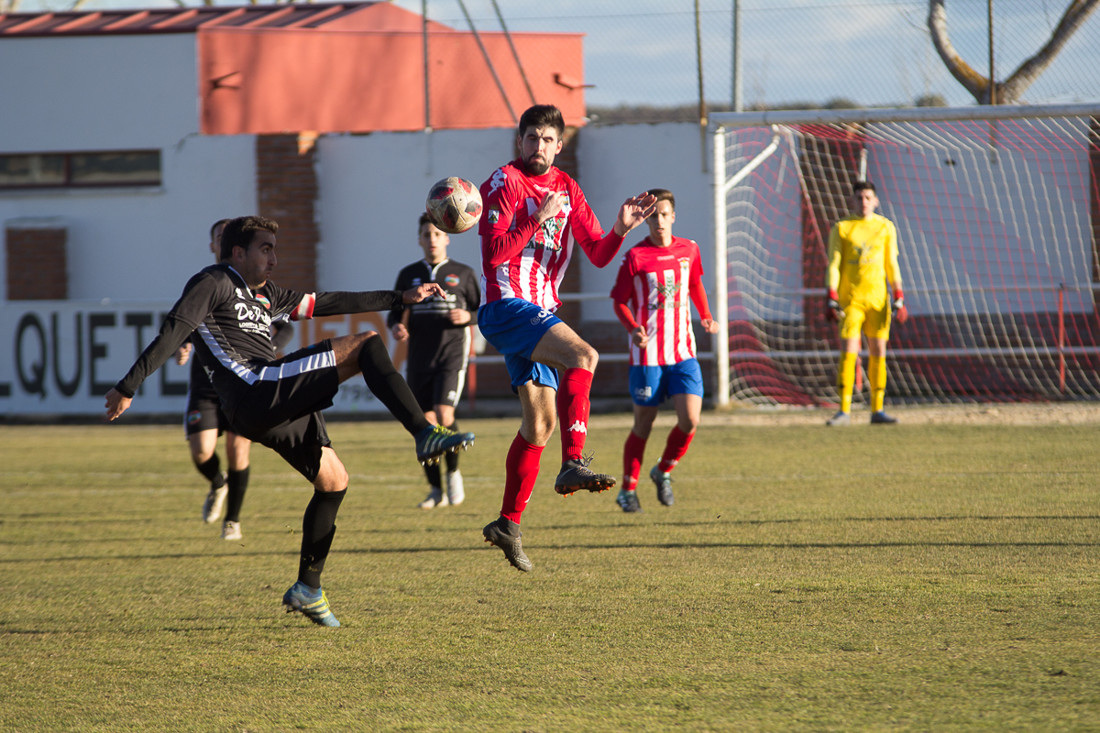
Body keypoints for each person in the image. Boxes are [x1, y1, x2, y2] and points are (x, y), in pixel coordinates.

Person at [104, 215, 475, 628]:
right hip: (254, 387)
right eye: (266, 249)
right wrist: (128, 385)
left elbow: (325, 302)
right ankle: (424, 433)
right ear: (238, 252)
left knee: (334, 480)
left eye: (274, 250)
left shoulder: (265, 295)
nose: (274, 259)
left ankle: (308, 588)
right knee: (367, 344)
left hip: (268, 406)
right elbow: (174, 329)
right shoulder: (213, 281)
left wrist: (400, 298)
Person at [476, 103, 656, 571]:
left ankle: (507, 523)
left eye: (548, 140)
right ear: (520, 142)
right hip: (507, 305)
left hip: (538, 312)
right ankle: (572, 462)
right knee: (585, 355)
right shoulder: (502, 184)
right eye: (531, 138)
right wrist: (537, 217)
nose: (539, 147)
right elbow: (494, 256)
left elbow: (597, 254)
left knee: (539, 425)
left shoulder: (567, 188)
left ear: (560, 145)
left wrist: (621, 228)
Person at [176, 218, 294, 541]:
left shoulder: (256, 285)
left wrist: (267, 346)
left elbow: (285, 324)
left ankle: (233, 521)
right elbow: (182, 322)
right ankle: (217, 482)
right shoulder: (206, 282)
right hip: (206, 383)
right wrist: (182, 344)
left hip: (242, 381)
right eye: (217, 237)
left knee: (238, 448)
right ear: (216, 246)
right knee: (201, 451)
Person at [609, 188, 718, 513]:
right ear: (646, 220)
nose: (659, 221)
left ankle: (663, 470)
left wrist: (706, 316)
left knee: (690, 420)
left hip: (683, 351)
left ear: (674, 216)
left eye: (664, 214)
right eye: (653, 215)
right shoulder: (635, 257)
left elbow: (695, 283)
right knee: (644, 423)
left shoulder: (689, 249)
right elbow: (618, 301)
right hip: (648, 356)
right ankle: (628, 490)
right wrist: (633, 329)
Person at [388, 213, 481, 509]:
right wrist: (397, 326)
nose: (432, 239)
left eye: (437, 234)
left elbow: (484, 310)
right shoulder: (408, 274)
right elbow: (394, 312)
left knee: (444, 413)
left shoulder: (463, 273)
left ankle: (453, 473)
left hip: (451, 355)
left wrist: (469, 316)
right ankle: (434, 490)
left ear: (447, 238)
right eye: (426, 234)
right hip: (418, 357)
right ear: (419, 239)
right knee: (425, 423)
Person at [824, 180, 908, 426]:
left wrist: (899, 295)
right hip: (850, 301)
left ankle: (877, 410)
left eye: (868, 197)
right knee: (849, 351)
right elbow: (834, 264)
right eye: (859, 197)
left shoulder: (885, 227)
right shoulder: (842, 228)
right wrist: (831, 295)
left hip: (878, 300)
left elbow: (891, 264)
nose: (863, 202)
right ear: (852, 200)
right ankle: (844, 411)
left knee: (878, 352)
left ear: (876, 201)